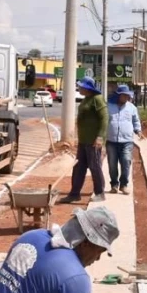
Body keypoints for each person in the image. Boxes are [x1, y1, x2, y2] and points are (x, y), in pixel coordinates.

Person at [60, 76, 108, 204]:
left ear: (87, 88)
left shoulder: (97, 99)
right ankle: (74, 193)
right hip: (83, 141)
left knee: (95, 167)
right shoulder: (86, 99)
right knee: (78, 168)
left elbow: (104, 119)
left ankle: (99, 192)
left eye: (81, 86)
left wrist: (100, 137)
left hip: (93, 141)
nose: (79, 88)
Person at [106, 84, 142, 195]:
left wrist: (138, 130)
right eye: (124, 96)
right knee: (112, 164)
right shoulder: (109, 106)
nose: (127, 98)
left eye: (128, 96)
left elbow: (136, 121)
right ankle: (114, 185)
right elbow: (103, 121)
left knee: (126, 161)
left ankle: (124, 185)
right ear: (119, 95)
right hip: (111, 141)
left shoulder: (132, 107)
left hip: (127, 141)